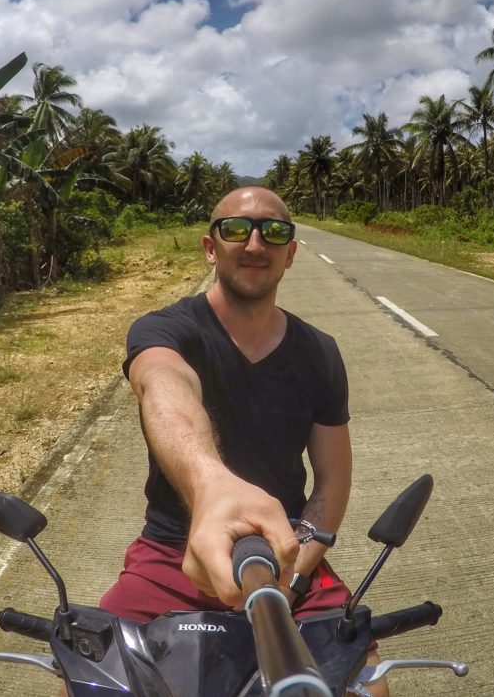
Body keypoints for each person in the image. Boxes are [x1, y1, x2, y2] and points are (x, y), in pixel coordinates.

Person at [101, 186, 387, 693]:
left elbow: (333, 477)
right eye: (236, 229)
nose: (255, 244)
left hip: (288, 553)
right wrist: (211, 487)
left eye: (274, 232)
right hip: (173, 551)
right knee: (91, 672)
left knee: (362, 678)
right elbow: (162, 385)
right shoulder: (166, 330)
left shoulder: (320, 352)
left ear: (291, 253)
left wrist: (297, 566)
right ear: (210, 247)